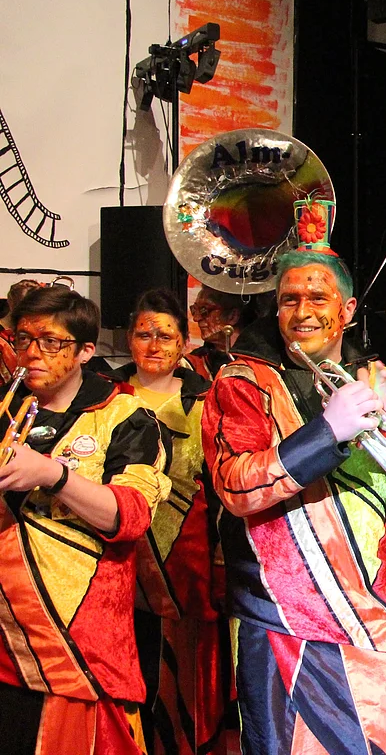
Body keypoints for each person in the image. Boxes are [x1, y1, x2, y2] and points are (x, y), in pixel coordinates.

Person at [200, 228, 386, 753]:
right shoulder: (240, 381)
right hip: (282, 614)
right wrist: (327, 433)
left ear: (348, 309)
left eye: (318, 298)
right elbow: (236, 486)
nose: (303, 311)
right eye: (289, 299)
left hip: (374, 599)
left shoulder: (377, 376)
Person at [0, 284, 171, 753]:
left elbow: (132, 516)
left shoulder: (126, 416)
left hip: (75, 642)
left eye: (51, 342)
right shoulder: (6, 406)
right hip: (6, 636)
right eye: (23, 340)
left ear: (85, 351)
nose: (32, 354)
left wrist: (53, 475)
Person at [105, 289, 235, 754]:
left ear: (183, 342)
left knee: (185, 671)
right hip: (115, 555)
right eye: (144, 335)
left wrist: (221, 559)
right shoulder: (105, 395)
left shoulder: (207, 399)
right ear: (129, 338)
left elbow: (222, 488)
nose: (155, 345)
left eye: (166, 336)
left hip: (188, 557)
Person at [185, 286, 253, 381]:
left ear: (233, 316)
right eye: (194, 310)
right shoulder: (191, 364)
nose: (196, 318)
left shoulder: (258, 362)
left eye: (204, 310)